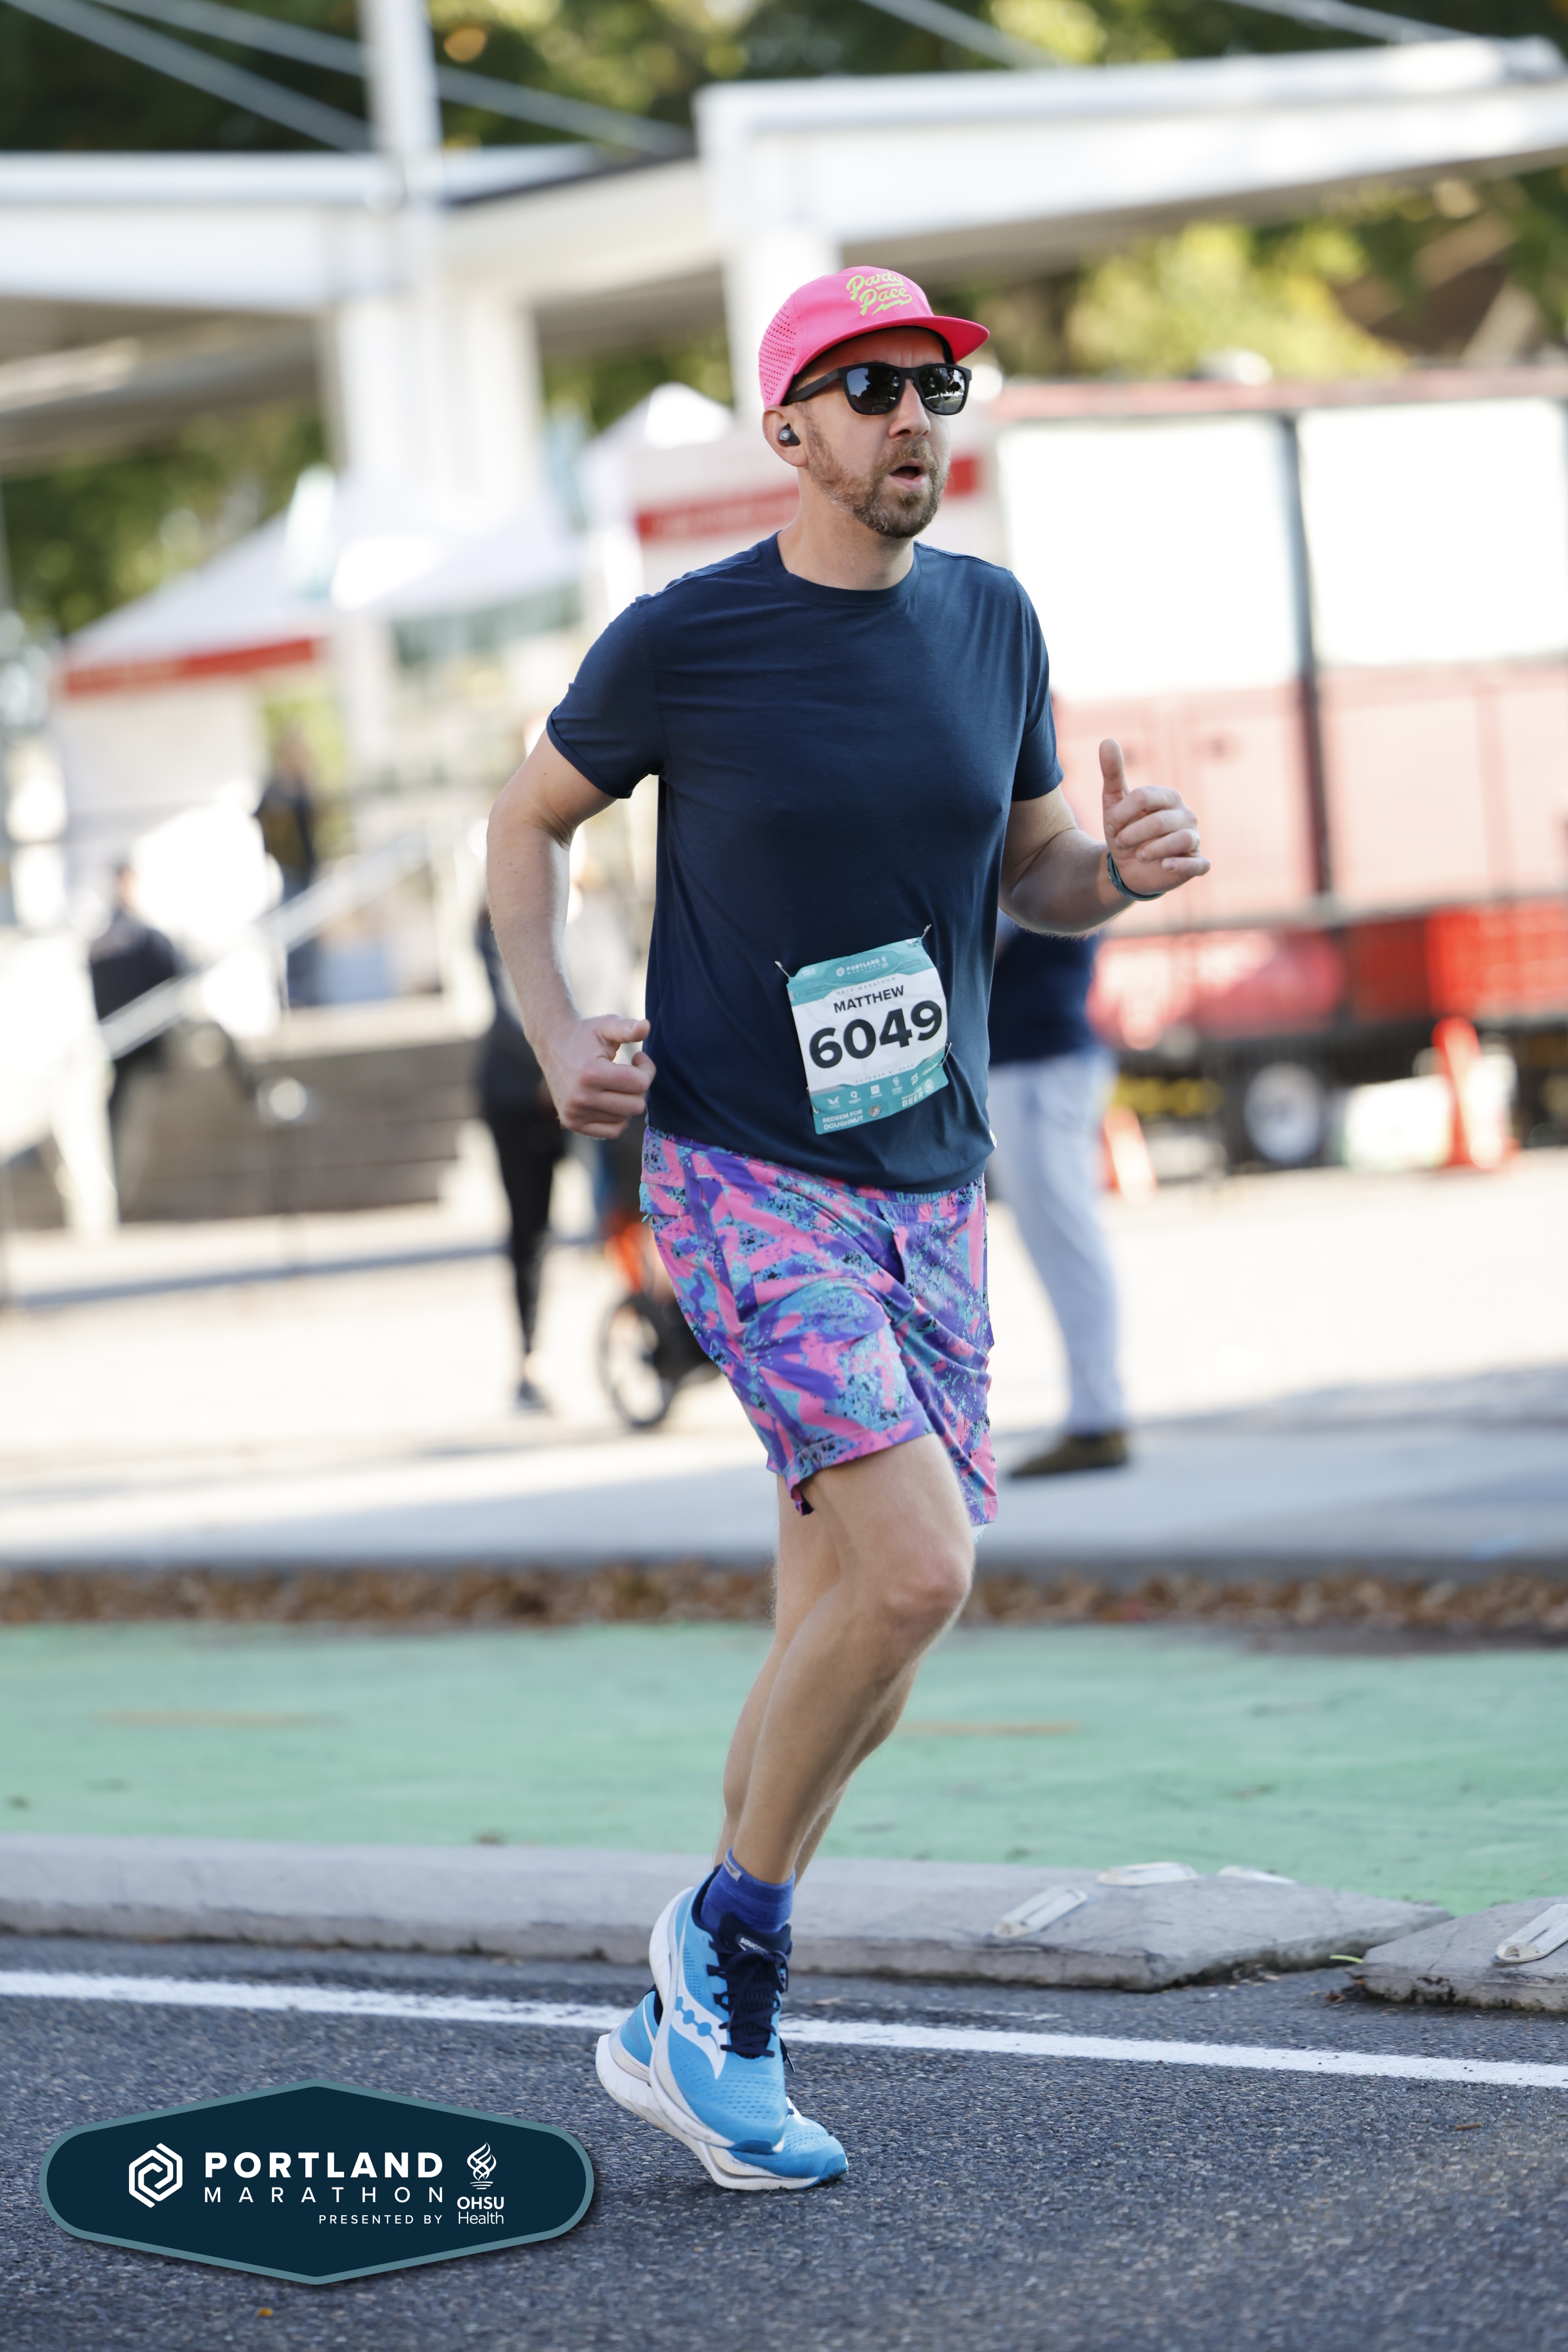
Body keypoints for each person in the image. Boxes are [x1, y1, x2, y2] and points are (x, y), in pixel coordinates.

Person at [486, 264, 1208, 2190]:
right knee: (916, 1569)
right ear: (789, 428)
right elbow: (522, 823)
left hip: (929, 1181)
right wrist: (555, 1032)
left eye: (934, 389)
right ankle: (726, 1957)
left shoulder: (992, 621)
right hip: (742, 1168)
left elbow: (1036, 870)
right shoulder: (686, 641)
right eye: (870, 389)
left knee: (844, 1627)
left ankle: (687, 2021)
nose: (911, 418)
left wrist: (1116, 873)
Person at [988, 918, 1129, 1475]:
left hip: (1038, 1065)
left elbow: (969, 938)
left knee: (1067, 1247)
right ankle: (1097, 1412)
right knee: (1064, 1244)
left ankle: (1098, 1416)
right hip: (1036, 1062)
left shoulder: (1020, 863)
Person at [476, 908, 566, 1413]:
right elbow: (509, 1006)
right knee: (531, 1228)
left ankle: (660, 1325)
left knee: (632, 1207)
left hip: (594, 1075)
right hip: (522, 1093)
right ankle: (532, 1358)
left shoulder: (600, 915)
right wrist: (560, 1063)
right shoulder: (502, 911)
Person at [88, 862, 181, 1133]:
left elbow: (173, 976)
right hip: (127, 1037)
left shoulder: (149, 937)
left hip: (154, 1032)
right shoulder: (107, 941)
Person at [254, 728, 320, 1006]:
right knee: (293, 935)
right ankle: (295, 995)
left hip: (306, 869)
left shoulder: (304, 785)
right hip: (287, 870)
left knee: (309, 935)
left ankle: (309, 994)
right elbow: (262, 818)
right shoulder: (277, 789)